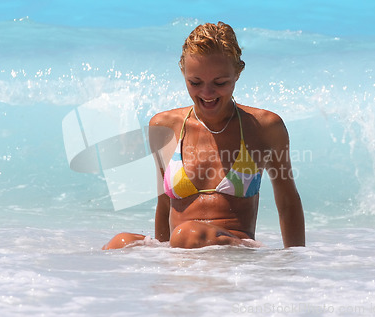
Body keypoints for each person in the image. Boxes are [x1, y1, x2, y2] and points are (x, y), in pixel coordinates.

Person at [103, 21, 305, 250]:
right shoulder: (164, 127)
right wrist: (160, 262)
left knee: (187, 233)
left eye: (219, 83)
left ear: (238, 72)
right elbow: (164, 202)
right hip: (181, 248)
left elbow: (288, 202)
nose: (207, 94)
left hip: (236, 252)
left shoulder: (265, 127)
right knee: (119, 243)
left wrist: (295, 266)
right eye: (195, 82)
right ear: (183, 72)